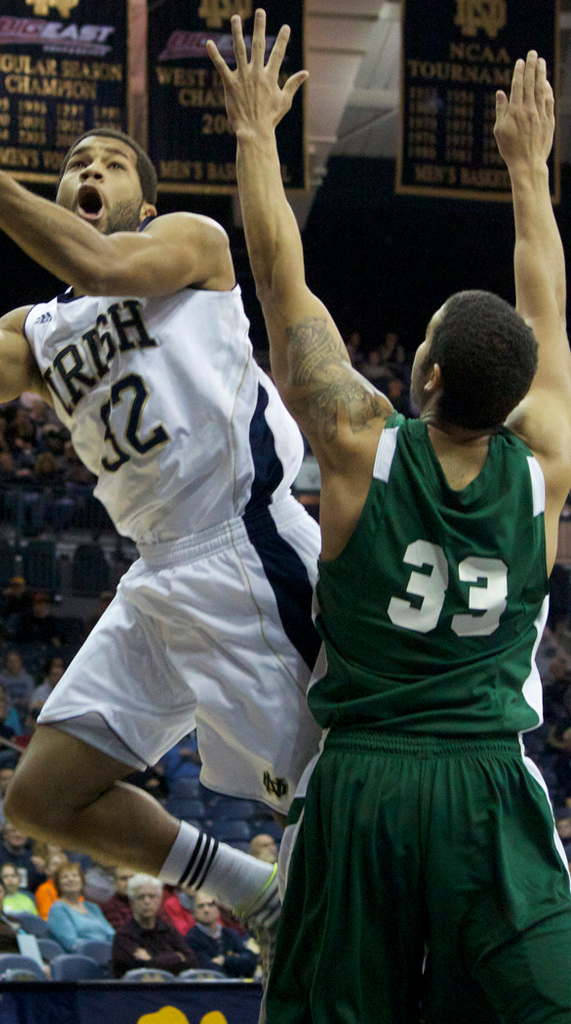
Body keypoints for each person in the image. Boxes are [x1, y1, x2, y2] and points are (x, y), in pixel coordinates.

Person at [0, 49, 325, 949]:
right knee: (42, 797)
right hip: (158, 576)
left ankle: (369, 947)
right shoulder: (44, 326)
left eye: (107, 162)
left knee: (330, 785)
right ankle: (252, 889)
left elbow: (102, 266)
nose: (86, 171)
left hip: (245, 548)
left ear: (144, 202)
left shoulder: (190, 245)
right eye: (74, 165)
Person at [209, 15, 571, 1021]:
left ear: (428, 374)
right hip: (488, 786)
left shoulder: (362, 445)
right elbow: (546, 307)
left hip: (363, 782)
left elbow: (282, 287)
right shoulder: (546, 468)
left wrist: (252, 134)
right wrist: (530, 171)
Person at [110, 874, 197, 978]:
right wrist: (176, 958)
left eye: (152, 896)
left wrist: (151, 960)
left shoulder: (168, 930)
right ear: (131, 901)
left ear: (159, 900)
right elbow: (138, 971)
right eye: (141, 897)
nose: (147, 901)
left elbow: (192, 961)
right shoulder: (124, 936)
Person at [46, 861, 114, 952]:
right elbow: (71, 943)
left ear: (82, 880)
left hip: (108, 954)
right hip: (82, 958)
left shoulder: (93, 907)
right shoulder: (58, 909)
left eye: (75, 875)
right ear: (58, 884)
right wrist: (102, 949)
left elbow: (111, 934)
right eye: (64, 877)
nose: (71, 879)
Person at [187, 892, 258, 978]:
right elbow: (207, 968)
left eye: (211, 904)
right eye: (200, 906)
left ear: (218, 910)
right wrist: (235, 959)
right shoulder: (191, 938)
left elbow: (251, 960)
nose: (206, 910)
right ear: (193, 913)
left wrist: (225, 960)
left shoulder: (230, 933)